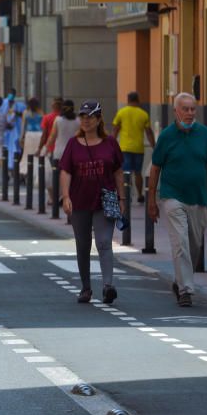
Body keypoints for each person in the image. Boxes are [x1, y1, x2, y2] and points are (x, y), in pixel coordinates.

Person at [147, 92, 207, 308]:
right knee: (180, 243)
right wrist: (152, 198)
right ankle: (186, 290)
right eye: (185, 109)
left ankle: (179, 281)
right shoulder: (167, 136)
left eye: (193, 109)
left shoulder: (204, 134)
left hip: (199, 198)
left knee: (194, 244)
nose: (190, 113)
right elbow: (155, 167)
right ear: (175, 111)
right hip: (172, 196)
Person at [59, 100, 124, 305]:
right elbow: (66, 171)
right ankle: (86, 288)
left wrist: (122, 197)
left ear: (98, 120)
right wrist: (66, 196)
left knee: (104, 242)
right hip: (80, 201)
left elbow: (118, 172)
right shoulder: (73, 144)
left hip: (105, 200)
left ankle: (107, 286)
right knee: (83, 245)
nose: (85, 121)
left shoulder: (110, 143)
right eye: (83, 117)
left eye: (89, 117)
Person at [112, 91, 156, 203]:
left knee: (125, 173)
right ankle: (140, 195)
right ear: (138, 100)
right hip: (138, 148)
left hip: (124, 148)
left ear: (128, 100)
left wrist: (111, 144)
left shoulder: (121, 113)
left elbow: (115, 130)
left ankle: (126, 194)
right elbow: (149, 132)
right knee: (138, 173)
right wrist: (154, 146)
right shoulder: (143, 114)